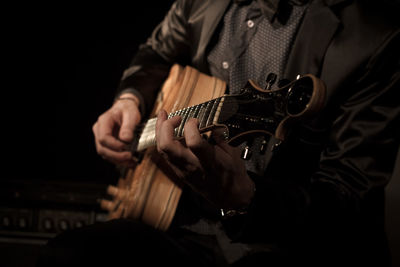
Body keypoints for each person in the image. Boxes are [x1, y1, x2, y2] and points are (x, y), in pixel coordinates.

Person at [38, 0, 399, 266]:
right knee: (66, 257)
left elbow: (347, 203)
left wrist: (247, 197)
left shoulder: (372, 40)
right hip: (181, 225)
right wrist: (130, 99)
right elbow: (156, 52)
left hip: (282, 245)